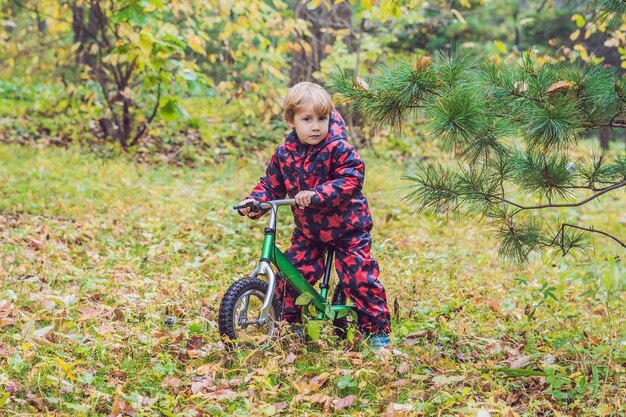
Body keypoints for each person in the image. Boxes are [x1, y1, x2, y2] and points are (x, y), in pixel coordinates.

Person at [238, 81, 391, 348]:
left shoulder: (338, 148)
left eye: (322, 118)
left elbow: (351, 177)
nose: (316, 126)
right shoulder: (284, 154)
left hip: (348, 229)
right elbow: (271, 184)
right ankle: (290, 325)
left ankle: (376, 331)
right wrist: (256, 201)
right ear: (291, 120)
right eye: (307, 119)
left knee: (359, 278)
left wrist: (319, 193)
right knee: (291, 274)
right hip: (310, 232)